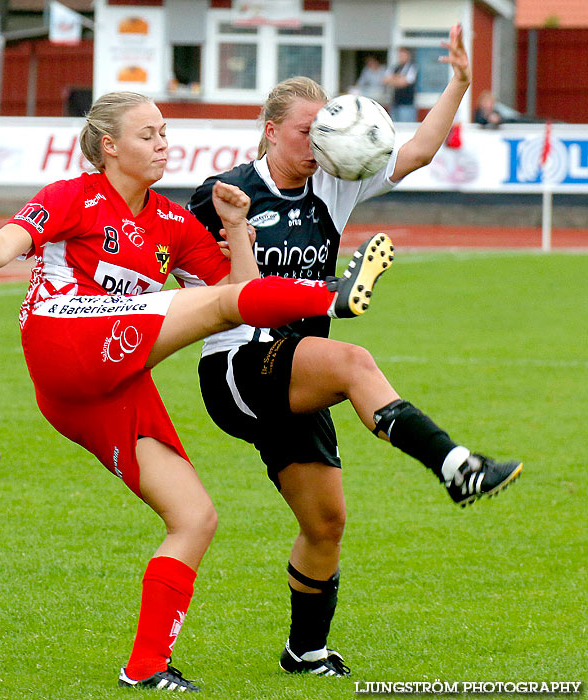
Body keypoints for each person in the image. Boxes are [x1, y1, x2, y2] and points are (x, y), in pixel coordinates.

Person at [0, 91, 390, 692]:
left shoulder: (172, 221)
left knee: (194, 517)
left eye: (165, 132)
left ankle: (145, 668)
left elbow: (247, 300)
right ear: (110, 145)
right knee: (216, 307)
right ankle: (335, 296)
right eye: (148, 135)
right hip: (62, 340)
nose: (163, 143)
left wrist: (236, 228)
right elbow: (4, 243)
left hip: (102, 387)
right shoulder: (73, 196)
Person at [187, 24, 521, 678]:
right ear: (269, 129)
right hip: (237, 364)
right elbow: (226, 293)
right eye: (304, 131)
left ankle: (304, 652)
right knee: (354, 362)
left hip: (295, 371)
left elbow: (421, 149)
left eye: (324, 131)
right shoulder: (223, 194)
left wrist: (458, 81)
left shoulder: (334, 184)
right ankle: (456, 466)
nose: (317, 144)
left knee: (325, 523)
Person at [384, 46, 418, 122]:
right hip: (395, 103)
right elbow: (385, 80)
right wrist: (399, 78)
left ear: (408, 56)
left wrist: (394, 79)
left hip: (407, 104)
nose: (401, 57)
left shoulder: (412, 67)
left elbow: (404, 83)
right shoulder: (395, 67)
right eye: (400, 55)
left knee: (407, 128)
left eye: (403, 55)